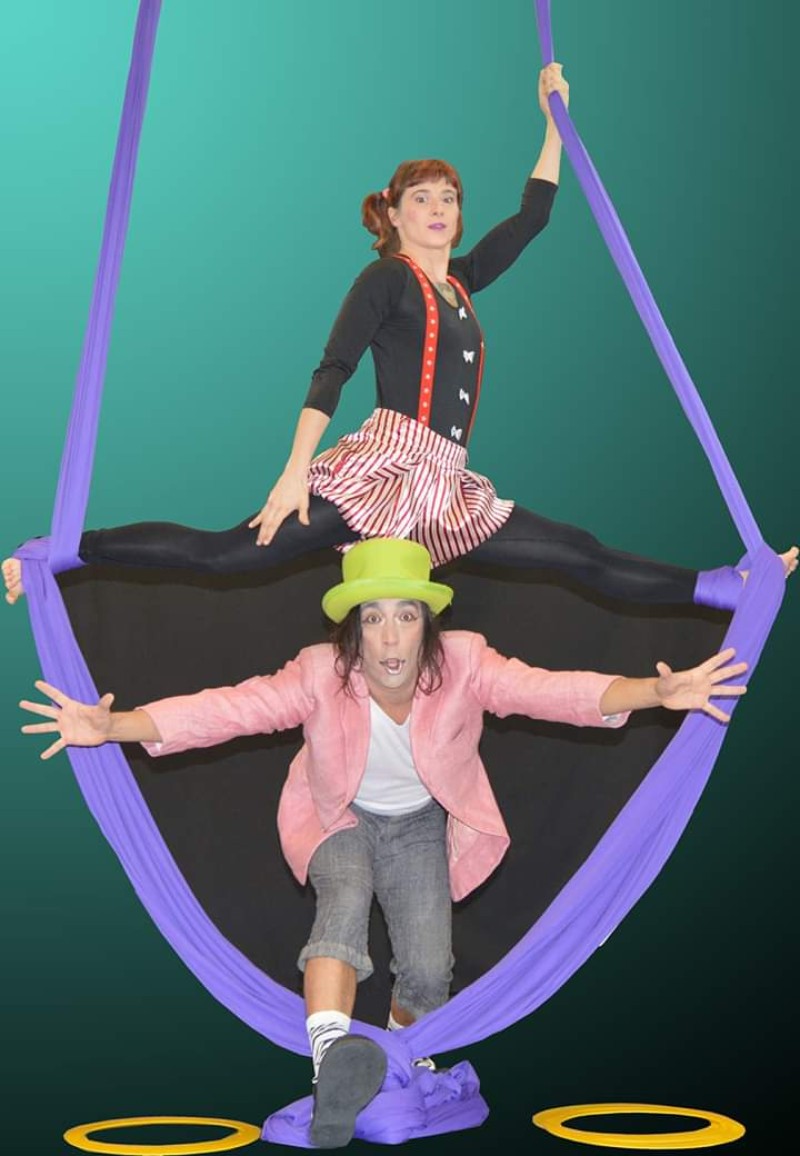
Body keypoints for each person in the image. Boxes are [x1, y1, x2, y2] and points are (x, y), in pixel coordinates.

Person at [19, 538, 748, 1149]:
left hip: (421, 823)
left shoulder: (465, 662)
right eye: (373, 619)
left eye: (406, 616)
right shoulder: (319, 673)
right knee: (341, 898)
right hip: (335, 814)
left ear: (429, 623)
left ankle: (396, 1053)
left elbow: (553, 692)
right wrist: (114, 726)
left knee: (428, 973)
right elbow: (231, 709)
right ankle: (333, 1065)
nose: (391, 637)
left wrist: (656, 693)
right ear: (353, 630)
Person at [7, 61, 792, 609]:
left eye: (449, 196)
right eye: (422, 197)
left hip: (446, 484)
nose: (440, 207)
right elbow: (333, 369)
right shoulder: (386, 279)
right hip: (382, 470)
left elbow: (534, 216)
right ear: (394, 213)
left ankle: (717, 586)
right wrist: (295, 472)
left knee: (575, 551)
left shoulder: (461, 283)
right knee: (225, 556)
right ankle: (67, 547)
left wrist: (553, 120)